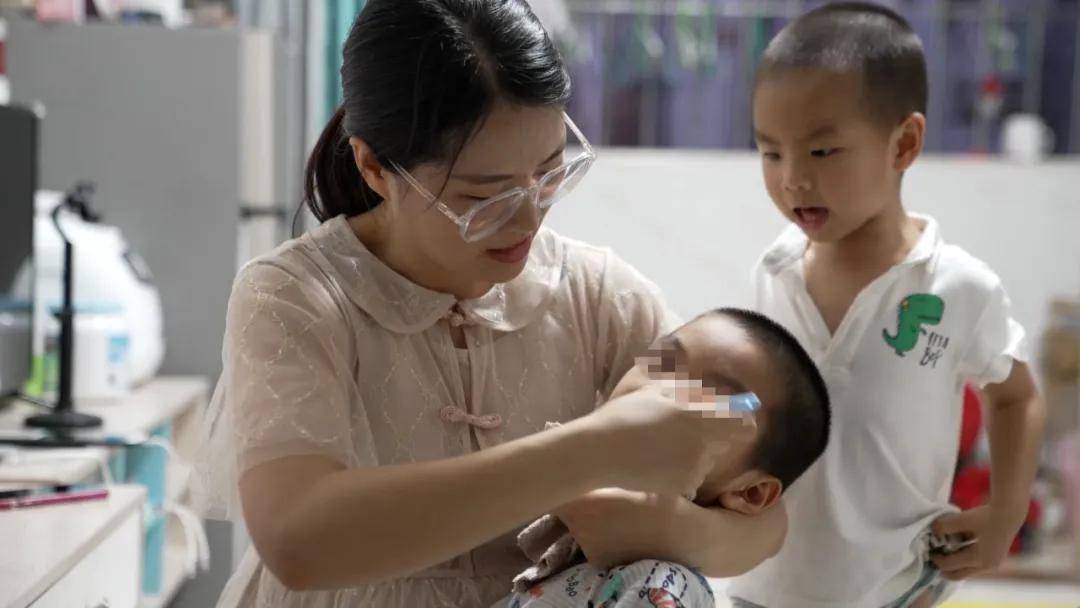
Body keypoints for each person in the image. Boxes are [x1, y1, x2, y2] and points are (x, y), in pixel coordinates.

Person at [194, 1, 785, 606]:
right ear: (375, 166)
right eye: (485, 196)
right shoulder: (295, 297)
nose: (530, 218)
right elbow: (298, 540)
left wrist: (661, 529)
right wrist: (593, 450)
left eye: (551, 171)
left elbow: (761, 522)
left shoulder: (602, 300)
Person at [728, 3, 1045, 607]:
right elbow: (753, 405)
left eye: (821, 153)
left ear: (904, 144)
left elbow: (1017, 395)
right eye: (771, 153)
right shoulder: (772, 272)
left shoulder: (958, 287)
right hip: (760, 588)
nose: (792, 178)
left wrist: (1004, 514)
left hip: (896, 589)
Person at [506, 308, 830, 608]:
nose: (660, 392)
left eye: (710, 398)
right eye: (663, 362)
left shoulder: (657, 589)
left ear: (752, 493)